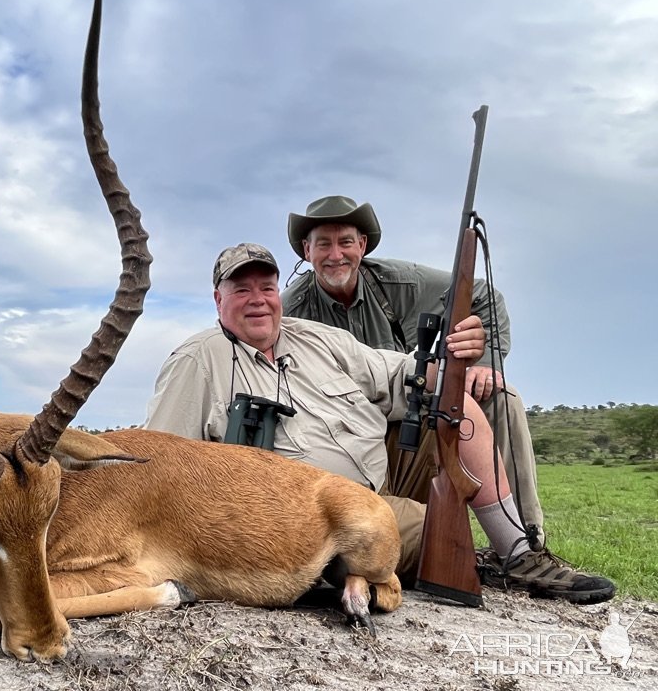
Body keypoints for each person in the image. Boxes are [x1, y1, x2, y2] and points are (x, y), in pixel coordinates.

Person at [145, 242, 615, 604]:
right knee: (439, 536)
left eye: (266, 288)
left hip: (385, 472)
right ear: (217, 299)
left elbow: (398, 374)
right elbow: (157, 462)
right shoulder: (197, 360)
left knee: (459, 405)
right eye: (241, 290)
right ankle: (447, 560)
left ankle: (521, 553)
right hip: (319, 516)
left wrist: (453, 364)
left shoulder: (317, 338)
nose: (258, 301)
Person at [280, 196, 610, 599]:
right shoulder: (290, 309)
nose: (336, 255)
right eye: (323, 244)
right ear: (306, 251)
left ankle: (523, 551)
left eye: (345, 242)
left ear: (362, 246)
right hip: (351, 435)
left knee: (501, 399)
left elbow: (485, 296)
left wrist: (483, 360)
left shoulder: (402, 283)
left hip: (411, 418)